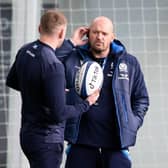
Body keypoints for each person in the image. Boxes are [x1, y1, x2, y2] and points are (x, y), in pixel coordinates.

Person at [5, 10, 99, 168]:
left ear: (39, 28)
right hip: (46, 142)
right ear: (62, 32)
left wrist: (48, 92)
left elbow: (13, 81)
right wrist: (87, 103)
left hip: (27, 136)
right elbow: (59, 114)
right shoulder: (55, 66)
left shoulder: (25, 50)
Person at [58, 16, 150, 168]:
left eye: (104, 33)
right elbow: (48, 63)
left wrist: (133, 123)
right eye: (95, 32)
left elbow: (141, 98)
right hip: (80, 142)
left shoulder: (128, 62)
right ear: (88, 34)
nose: (99, 37)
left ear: (112, 37)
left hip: (116, 145)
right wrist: (71, 43)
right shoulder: (72, 58)